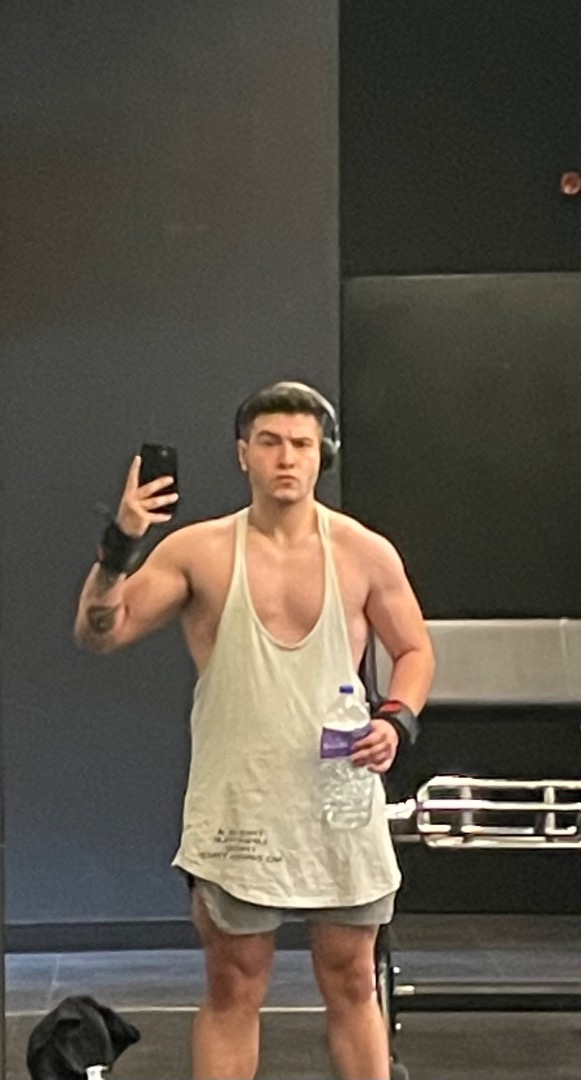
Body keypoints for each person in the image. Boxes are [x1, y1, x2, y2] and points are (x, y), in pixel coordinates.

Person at [74, 381, 435, 1080]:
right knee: (234, 986)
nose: (285, 458)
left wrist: (396, 718)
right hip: (239, 805)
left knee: (353, 982)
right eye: (269, 443)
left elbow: (414, 649)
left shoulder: (363, 552)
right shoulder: (200, 551)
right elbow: (101, 632)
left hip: (336, 801)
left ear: (321, 454)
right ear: (244, 454)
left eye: (300, 444)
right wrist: (121, 544)